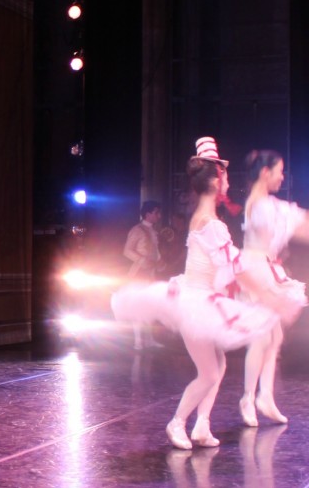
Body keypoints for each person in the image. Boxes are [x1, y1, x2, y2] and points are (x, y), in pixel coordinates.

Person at [112, 137, 278, 449]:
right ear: (216, 180)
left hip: (201, 298)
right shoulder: (211, 224)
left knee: (218, 367)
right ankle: (177, 423)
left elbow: (227, 266)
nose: (229, 181)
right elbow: (234, 266)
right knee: (209, 373)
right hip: (196, 304)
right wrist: (269, 291)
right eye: (226, 176)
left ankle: (201, 425)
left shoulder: (203, 219)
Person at [237, 150, 309, 426]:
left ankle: (265, 395)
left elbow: (295, 223)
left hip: (266, 267)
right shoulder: (259, 204)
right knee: (262, 337)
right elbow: (281, 224)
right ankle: (248, 397)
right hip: (255, 270)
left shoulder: (267, 204)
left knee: (275, 337)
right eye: (279, 171)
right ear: (265, 173)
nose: (283, 176)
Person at [123, 200, 163, 349]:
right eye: (156, 213)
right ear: (148, 214)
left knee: (150, 306)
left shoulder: (153, 231)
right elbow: (127, 250)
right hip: (139, 272)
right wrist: (142, 260)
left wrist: (159, 261)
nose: (159, 216)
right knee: (139, 307)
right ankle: (138, 341)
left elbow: (155, 251)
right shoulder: (137, 230)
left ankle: (149, 339)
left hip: (151, 272)